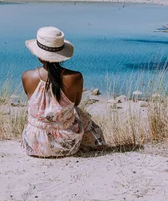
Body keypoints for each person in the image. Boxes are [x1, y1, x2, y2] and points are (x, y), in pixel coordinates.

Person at [21, 26, 106, 157]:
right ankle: (96, 143)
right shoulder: (75, 77)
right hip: (67, 145)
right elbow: (76, 103)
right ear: (61, 54)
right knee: (78, 113)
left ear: (39, 55)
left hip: (34, 144)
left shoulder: (27, 76)